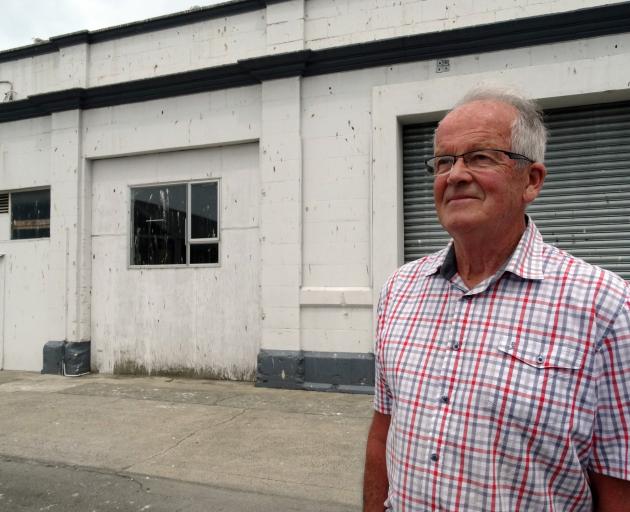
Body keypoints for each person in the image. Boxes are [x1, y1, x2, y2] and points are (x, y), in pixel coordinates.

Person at [363, 86, 630, 511]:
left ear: (532, 180)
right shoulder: (399, 290)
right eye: (444, 161)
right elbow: (383, 433)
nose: (455, 175)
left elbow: (618, 480)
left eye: (480, 157)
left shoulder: (603, 305)